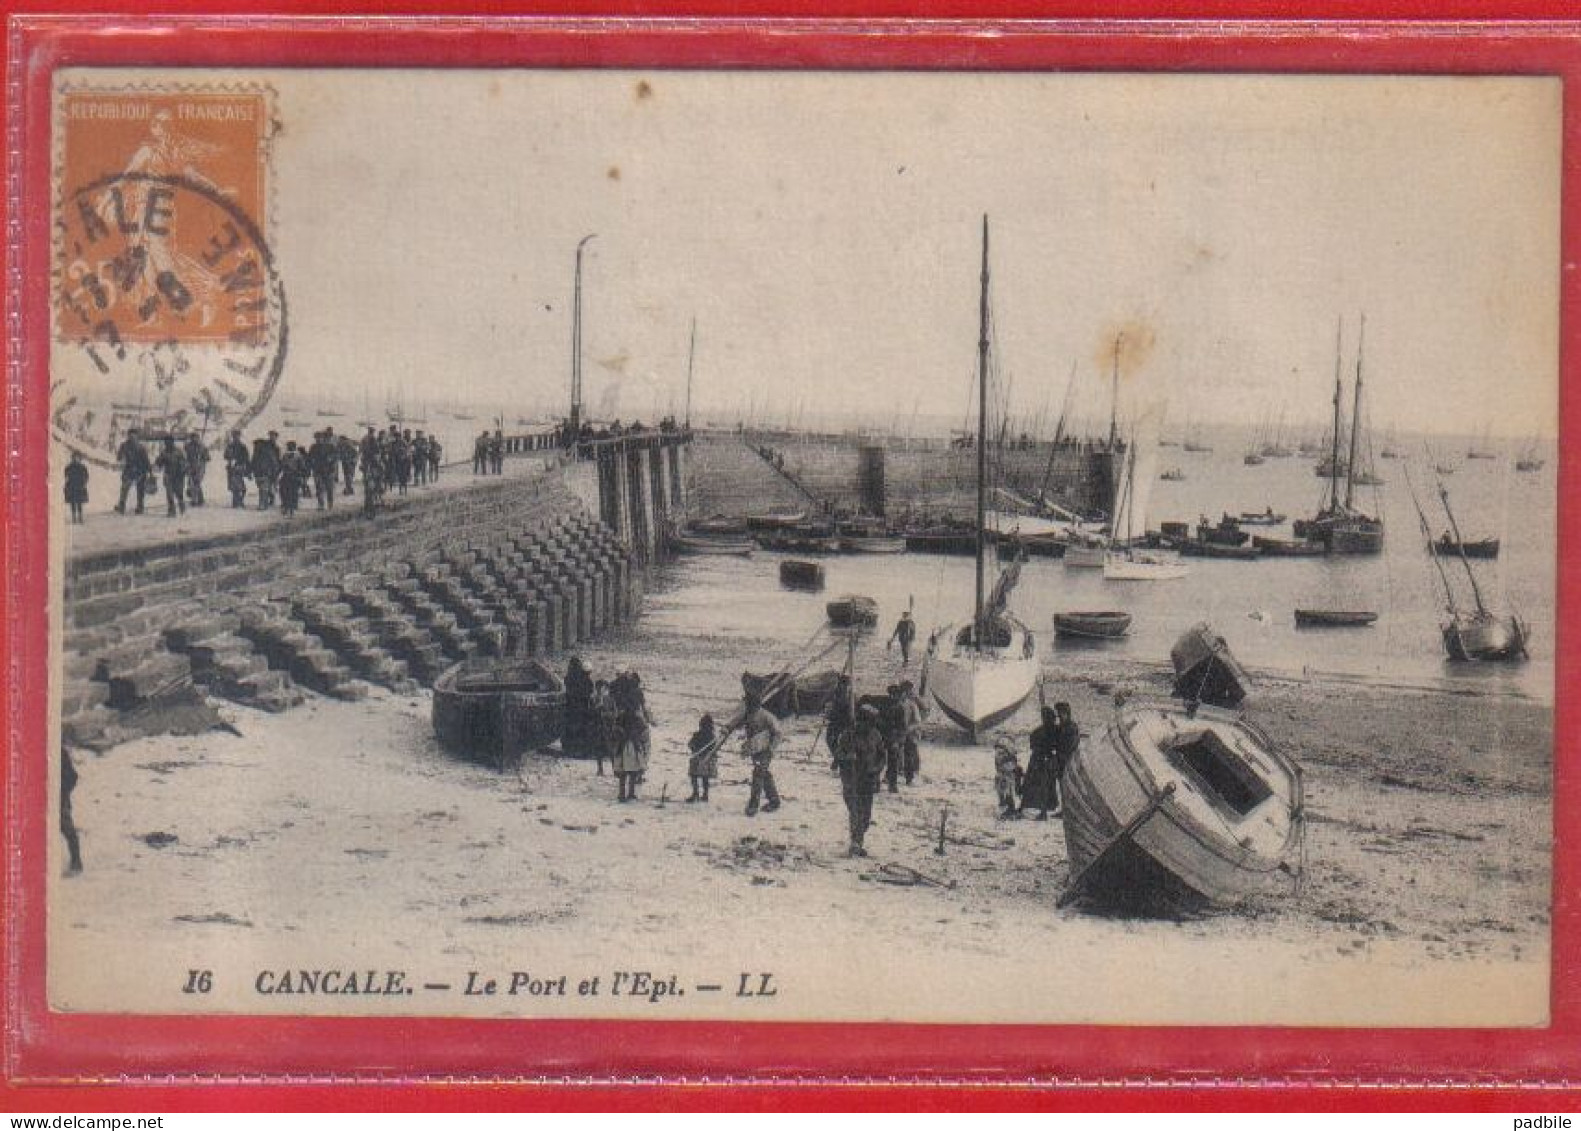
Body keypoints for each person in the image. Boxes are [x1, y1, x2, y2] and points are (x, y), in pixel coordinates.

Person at [833, 704, 886, 856]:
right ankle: (856, 842)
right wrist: (848, 757)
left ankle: (859, 837)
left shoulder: (875, 735)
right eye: (866, 722)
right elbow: (838, 755)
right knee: (855, 811)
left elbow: (882, 756)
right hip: (852, 780)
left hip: (869, 779)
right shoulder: (847, 735)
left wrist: (876, 769)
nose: (868, 726)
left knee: (866, 815)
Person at [741, 689, 782, 816]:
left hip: (765, 750)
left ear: (756, 704)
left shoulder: (766, 716)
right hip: (755, 749)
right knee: (764, 774)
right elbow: (737, 721)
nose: (747, 706)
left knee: (758, 774)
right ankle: (774, 801)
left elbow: (778, 733)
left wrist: (771, 748)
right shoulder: (748, 714)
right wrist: (727, 728)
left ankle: (753, 805)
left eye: (749, 703)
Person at [1021, 705, 1061, 820]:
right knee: (1044, 785)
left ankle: (1042, 811)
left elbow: (1033, 745)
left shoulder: (1039, 731)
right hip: (1044, 760)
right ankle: (1045, 807)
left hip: (1041, 761)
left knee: (1042, 785)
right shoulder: (1054, 730)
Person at [114, 429, 151, 514]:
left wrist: (150, 471)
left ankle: (138, 507)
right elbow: (119, 457)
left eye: (134, 436)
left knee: (139, 490)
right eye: (131, 436)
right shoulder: (125, 446)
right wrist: (120, 455)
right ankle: (123, 506)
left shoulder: (140, 447)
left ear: (136, 436)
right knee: (125, 489)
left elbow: (146, 459)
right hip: (131, 470)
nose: (132, 437)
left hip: (138, 470)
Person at [562, 656, 593, 759]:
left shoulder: (569, 677)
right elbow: (589, 692)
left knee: (570, 728)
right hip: (583, 707)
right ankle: (581, 750)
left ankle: (570, 749)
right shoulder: (586, 680)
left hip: (571, 707)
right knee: (581, 728)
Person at [60, 746, 83, 875]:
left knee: (68, 829)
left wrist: (62, 792)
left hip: (58, 800)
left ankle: (76, 862)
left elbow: (72, 777)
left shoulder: (60, 752)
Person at [1050, 701, 1081, 793]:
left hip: (1068, 760)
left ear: (1066, 713)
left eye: (1060, 714)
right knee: (1062, 784)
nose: (1059, 717)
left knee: (1068, 785)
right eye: (1058, 714)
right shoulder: (1062, 726)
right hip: (1062, 761)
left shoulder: (1071, 727)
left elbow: (1071, 746)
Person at [686, 714, 718, 803]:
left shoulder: (707, 736)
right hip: (702, 759)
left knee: (697, 776)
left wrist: (695, 749)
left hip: (703, 759)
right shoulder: (710, 736)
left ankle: (698, 794)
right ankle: (702, 794)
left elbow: (690, 744)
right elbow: (690, 744)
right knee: (703, 777)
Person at [897, 678, 923, 785]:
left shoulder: (912, 704)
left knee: (910, 753)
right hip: (899, 732)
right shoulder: (898, 703)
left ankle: (912, 775)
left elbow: (917, 721)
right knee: (896, 753)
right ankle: (897, 772)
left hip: (910, 733)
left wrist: (908, 730)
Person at [154, 435, 188, 517]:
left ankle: (182, 508)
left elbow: (184, 463)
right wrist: (157, 462)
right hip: (168, 475)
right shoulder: (164, 452)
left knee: (179, 494)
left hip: (178, 476)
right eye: (166, 442)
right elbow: (159, 463)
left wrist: (183, 470)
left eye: (169, 442)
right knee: (169, 494)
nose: (167, 444)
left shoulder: (179, 451)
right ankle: (171, 511)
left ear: (172, 442)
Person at [993, 738, 1024, 820]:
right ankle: (1009, 808)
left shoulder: (1004, 756)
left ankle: (1011, 809)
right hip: (1004, 775)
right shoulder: (1005, 755)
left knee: (1007, 792)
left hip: (1006, 776)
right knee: (1005, 792)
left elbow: (1008, 766)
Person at [251, 431, 280, 509]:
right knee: (263, 488)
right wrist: (251, 472)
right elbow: (252, 462)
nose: (256, 446)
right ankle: (266, 503)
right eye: (255, 445)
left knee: (264, 489)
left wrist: (275, 472)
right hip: (259, 473)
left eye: (258, 444)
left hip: (268, 472)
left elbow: (275, 461)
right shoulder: (256, 454)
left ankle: (262, 504)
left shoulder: (270, 451)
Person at [224, 429, 251, 508]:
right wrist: (230, 456)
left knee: (241, 488)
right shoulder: (229, 446)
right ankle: (236, 502)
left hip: (240, 467)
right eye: (234, 436)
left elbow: (246, 458)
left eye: (237, 436)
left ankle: (239, 501)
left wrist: (247, 469)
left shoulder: (242, 446)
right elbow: (225, 456)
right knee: (234, 487)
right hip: (232, 468)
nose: (236, 437)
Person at [277, 441, 306, 515]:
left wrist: (301, 475)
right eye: (288, 446)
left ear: (294, 447)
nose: (289, 447)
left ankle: (292, 507)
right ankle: (286, 506)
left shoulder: (298, 456)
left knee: (293, 492)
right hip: (286, 475)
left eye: (291, 446)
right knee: (283, 491)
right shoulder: (285, 455)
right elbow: (281, 465)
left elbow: (302, 467)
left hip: (295, 475)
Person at [63, 450, 89, 524]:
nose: (76, 459)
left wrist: (84, 482)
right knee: (73, 503)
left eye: (77, 457)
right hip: (71, 487)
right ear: (72, 458)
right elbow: (65, 475)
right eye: (74, 457)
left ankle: (80, 517)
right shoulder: (69, 467)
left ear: (80, 458)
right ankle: (74, 517)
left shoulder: (83, 467)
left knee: (79, 503)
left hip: (80, 487)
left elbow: (86, 476)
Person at [183, 433, 208, 506]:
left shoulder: (202, 447)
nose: (194, 439)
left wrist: (202, 455)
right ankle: (199, 499)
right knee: (191, 482)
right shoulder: (188, 446)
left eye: (196, 438)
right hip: (191, 466)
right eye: (193, 438)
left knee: (196, 482)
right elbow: (186, 455)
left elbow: (207, 458)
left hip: (200, 467)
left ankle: (195, 500)